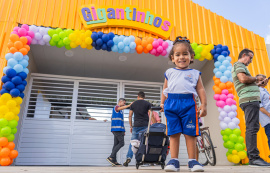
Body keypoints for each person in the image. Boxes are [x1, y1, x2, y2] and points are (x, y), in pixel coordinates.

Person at [160, 37, 207, 172]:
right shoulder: (169, 73)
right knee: (174, 133)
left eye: (185, 54)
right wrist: (162, 103)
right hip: (171, 104)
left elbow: (201, 89)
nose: (182, 57)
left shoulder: (195, 73)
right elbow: (165, 89)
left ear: (191, 57)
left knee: (190, 133)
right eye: (178, 54)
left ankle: (193, 161)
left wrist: (204, 105)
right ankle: (174, 161)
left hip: (189, 104)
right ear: (172, 57)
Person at [231, 49, 270, 167]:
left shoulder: (240, 66)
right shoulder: (239, 65)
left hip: (249, 100)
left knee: (252, 127)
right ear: (244, 55)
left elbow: (246, 83)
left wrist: (258, 83)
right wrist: (255, 78)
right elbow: (243, 79)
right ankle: (254, 158)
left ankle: (253, 157)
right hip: (249, 100)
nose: (251, 61)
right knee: (252, 128)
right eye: (250, 58)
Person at [123, 91, 155, 166]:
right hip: (145, 126)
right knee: (144, 142)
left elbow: (130, 115)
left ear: (138, 96)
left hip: (136, 126)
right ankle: (144, 160)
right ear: (144, 97)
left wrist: (131, 126)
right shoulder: (147, 104)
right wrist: (154, 124)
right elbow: (151, 115)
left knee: (133, 142)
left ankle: (129, 157)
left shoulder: (133, 104)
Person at [106, 98, 132, 166]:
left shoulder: (120, 112)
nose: (124, 105)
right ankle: (111, 157)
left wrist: (123, 130)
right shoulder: (116, 107)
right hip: (117, 129)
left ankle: (114, 161)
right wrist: (129, 105)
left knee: (115, 144)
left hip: (119, 130)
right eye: (124, 103)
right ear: (120, 102)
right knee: (121, 143)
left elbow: (120, 122)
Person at [257, 74, 270, 157]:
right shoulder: (258, 91)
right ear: (257, 82)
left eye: (265, 79)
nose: (265, 80)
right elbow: (260, 107)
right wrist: (269, 114)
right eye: (262, 79)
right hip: (267, 119)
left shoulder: (264, 90)